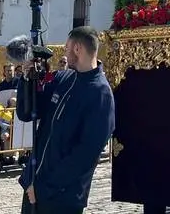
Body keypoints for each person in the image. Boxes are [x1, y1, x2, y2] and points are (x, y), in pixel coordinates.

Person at [17, 27, 115, 214]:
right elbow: (27, 113)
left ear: (77, 49)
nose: (64, 52)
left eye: (66, 47)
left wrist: (44, 187)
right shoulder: (63, 78)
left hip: (61, 197)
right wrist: (27, 79)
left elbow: (85, 155)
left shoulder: (100, 94)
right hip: (34, 186)